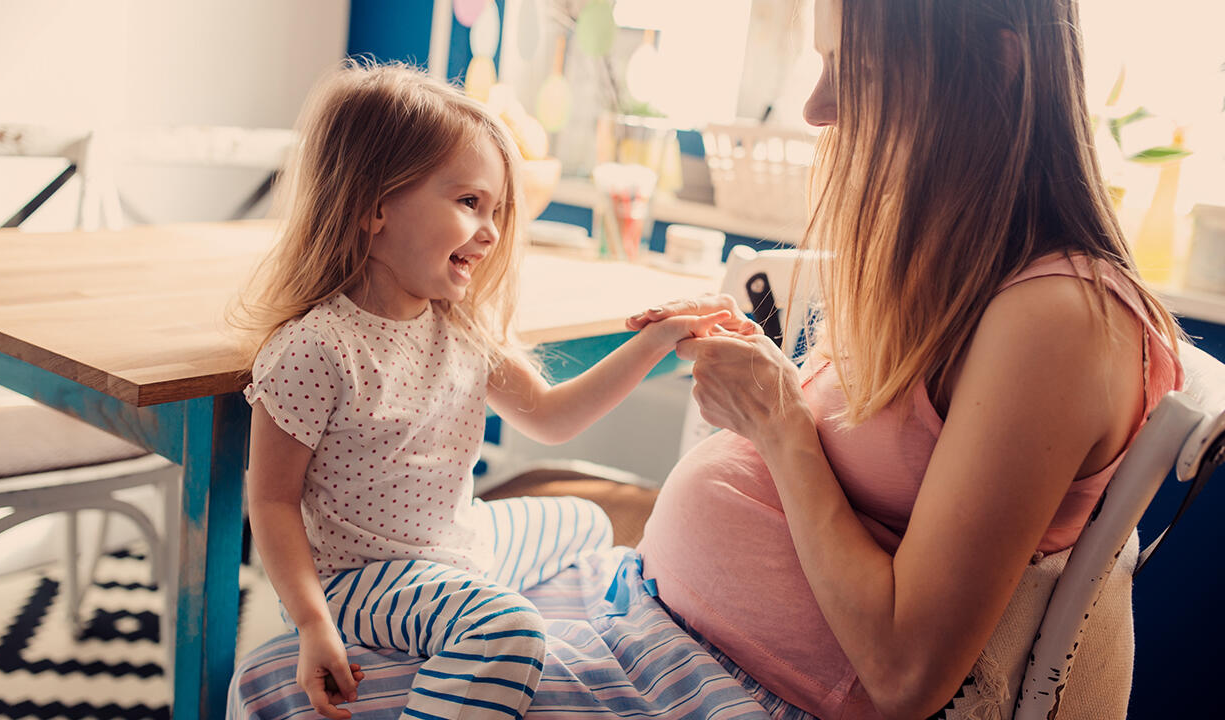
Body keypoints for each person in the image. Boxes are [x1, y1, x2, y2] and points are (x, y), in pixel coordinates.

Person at [627, 0, 1183, 718]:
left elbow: (904, 673)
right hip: (661, 637)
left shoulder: (1062, 321)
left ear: (997, 67)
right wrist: (772, 394)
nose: (816, 109)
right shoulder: (955, 268)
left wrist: (778, 423)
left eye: (852, 71)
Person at [233, 61, 728, 720]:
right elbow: (270, 501)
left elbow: (552, 418)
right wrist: (312, 621)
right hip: (363, 577)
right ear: (373, 206)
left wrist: (657, 337)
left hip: (461, 543)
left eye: (495, 210)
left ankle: (472, 621)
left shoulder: (460, 330)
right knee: (509, 629)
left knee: (587, 520)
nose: (491, 231)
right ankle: (475, 647)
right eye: (470, 203)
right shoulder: (317, 349)